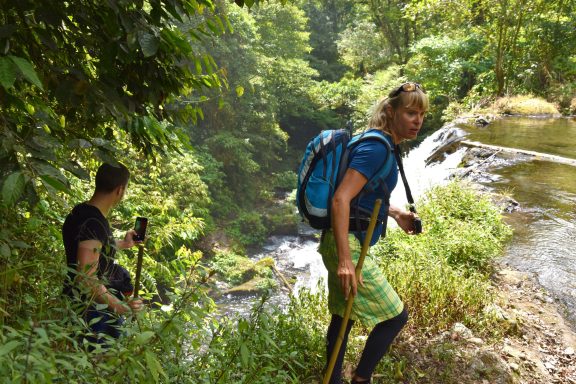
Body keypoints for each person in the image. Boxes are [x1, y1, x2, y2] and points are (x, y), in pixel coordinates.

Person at [320, 82, 428, 384]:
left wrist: (396, 214)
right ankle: (361, 378)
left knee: (344, 315)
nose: (417, 120)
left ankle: (332, 380)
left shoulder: (378, 143)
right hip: (348, 243)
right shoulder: (376, 147)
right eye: (410, 112)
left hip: (340, 238)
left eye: (421, 114)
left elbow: (364, 195)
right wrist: (345, 260)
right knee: (396, 317)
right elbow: (341, 199)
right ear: (391, 112)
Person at [62, 162, 143, 347]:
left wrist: (123, 244)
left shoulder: (80, 212)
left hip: (78, 303)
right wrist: (121, 307)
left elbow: (89, 248)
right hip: (91, 312)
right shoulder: (94, 223)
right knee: (95, 368)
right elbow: (87, 279)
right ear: (120, 190)